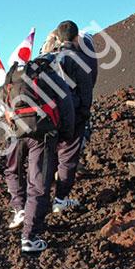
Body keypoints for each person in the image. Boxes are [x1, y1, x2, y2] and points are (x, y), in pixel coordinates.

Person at [0, 55, 74, 253]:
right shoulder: (49, 76)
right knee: (38, 185)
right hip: (42, 136)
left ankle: (20, 209)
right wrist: (65, 135)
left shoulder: (11, 80)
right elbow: (66, 105)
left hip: (16, 134)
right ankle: (30, 237)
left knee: (12, 171)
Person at [51, 21, 98, 213]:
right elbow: (86, 92)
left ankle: (41, 197)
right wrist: (83, 117)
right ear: (77, 37)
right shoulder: (81, 60)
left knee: (52, 155)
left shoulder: (49, 59)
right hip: (73, 116)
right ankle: (60, 199)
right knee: (68, 159)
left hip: (52, 116)